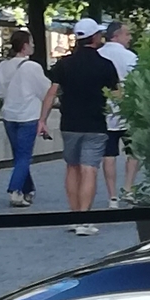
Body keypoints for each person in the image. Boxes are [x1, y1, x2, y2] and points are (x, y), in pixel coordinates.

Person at [43, 17, 118, 229]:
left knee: (72, 168)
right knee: (89, 170)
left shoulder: (64, 64)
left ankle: (74, 216)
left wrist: (42, 120)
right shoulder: (105, 65)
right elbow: (118, 95)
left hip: (69, 124)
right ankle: (85, 219)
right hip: (95, 124)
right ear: (94, 37)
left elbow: (51, 93)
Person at [0, 28, 46, 205]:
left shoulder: (2, 66)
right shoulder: (32, 67)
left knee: (19, 154)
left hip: (9, 115)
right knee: (24, 155)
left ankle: (28, 189)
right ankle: (15, 190)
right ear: (24, 46)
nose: (33, 46)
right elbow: (45, 90)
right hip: (28, 115)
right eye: (31, 43)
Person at [98, 17, 138, 210]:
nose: (129, 37)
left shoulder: (98, 55)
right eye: (127, 33)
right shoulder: (130, 57)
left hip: (104, 112)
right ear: (117, 35)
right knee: (134, 152)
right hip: (128, 111)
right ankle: (128, 189)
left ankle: (112, 196)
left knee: (109, 154)